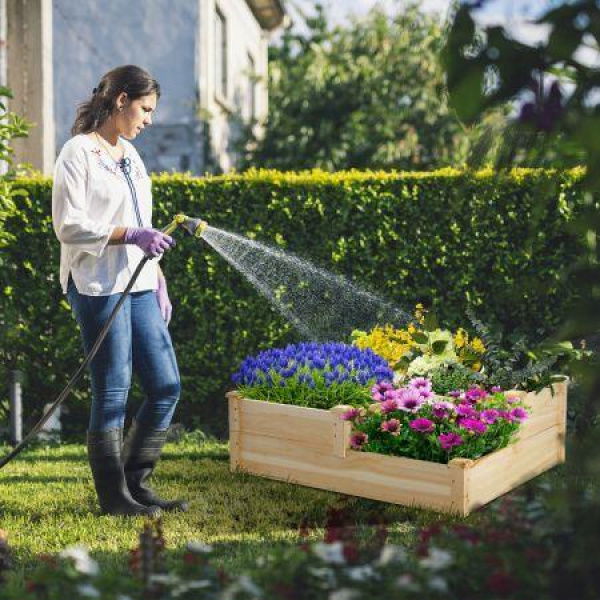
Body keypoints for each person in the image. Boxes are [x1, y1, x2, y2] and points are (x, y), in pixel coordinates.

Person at [52, 65, 188, 516]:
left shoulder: (131, 155)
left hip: (140, 282)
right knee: (112, 390)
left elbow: (144, 224)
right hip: (96, 284)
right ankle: (113, 498)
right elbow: (68, 226)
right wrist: (130, 236)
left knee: (166, 385)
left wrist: (159, 278)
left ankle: (136, 484)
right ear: (121, 100)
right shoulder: (78, 153)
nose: (148, 119)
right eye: (145, 109)